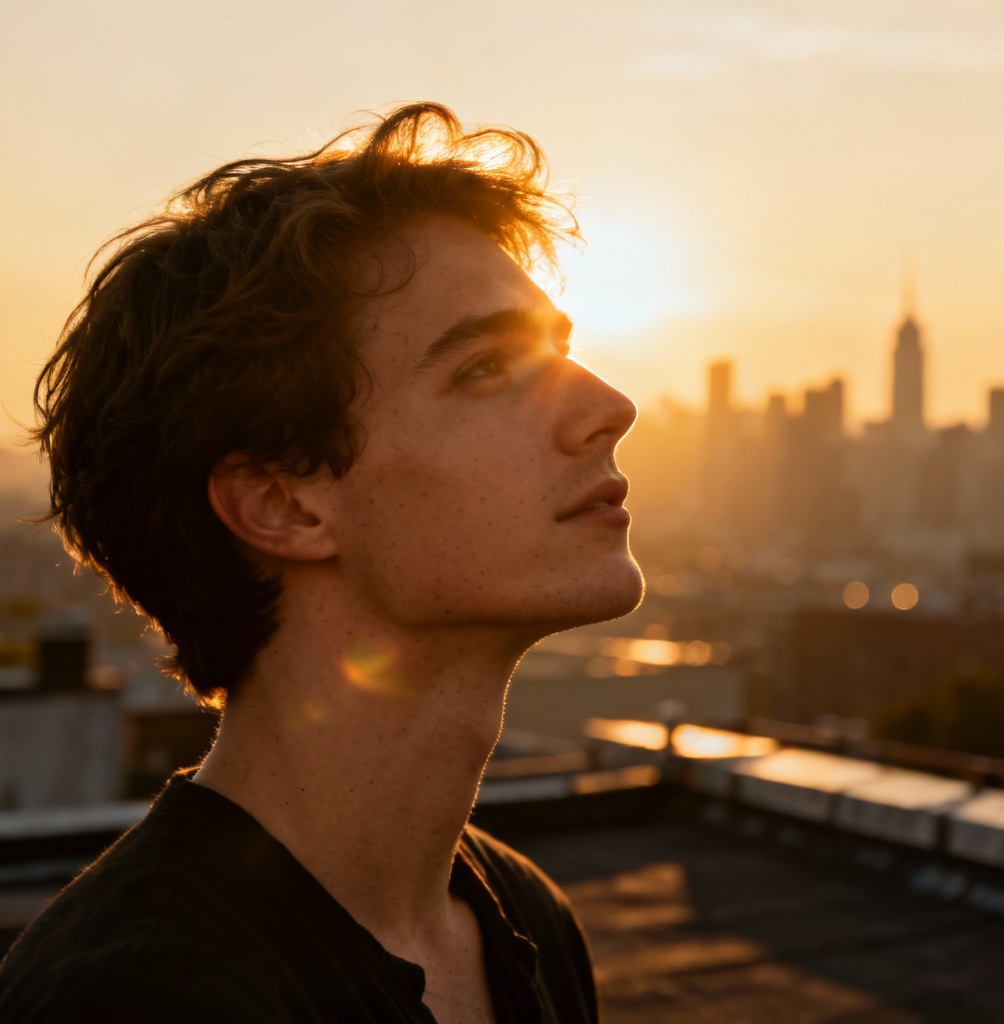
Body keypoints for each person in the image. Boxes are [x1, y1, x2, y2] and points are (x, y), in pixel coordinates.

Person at [0, 103, 643, 1023]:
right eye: (483, 370)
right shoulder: (140, 998)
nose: (609, 407)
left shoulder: (525, 923)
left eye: (562, 353)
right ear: (283, 505)